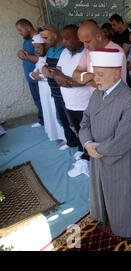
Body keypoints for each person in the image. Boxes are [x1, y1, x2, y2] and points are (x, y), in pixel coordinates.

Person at [79, 48, 131, 240]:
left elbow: (124, 139)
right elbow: (84, 122)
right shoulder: (96, 94)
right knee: (103, 191)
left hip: (121, 159)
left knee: (122, 195)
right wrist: (87, 144)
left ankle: (128, 227)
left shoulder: (129, 100)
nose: (96, 78)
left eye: (100, 74)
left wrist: (97, 150)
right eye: (95, 73)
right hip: (97, 155)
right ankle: (105, 216)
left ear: (117, 73)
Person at [52, 24, 92, 176]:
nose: (64, 41)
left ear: (78, 38)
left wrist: (69, 82)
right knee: (77, 128)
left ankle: (87, 159)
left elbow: (91, 78)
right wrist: (57, 76)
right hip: (70, 102)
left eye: (67, 38)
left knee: (88, 131)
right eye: (63, 38)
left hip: (85, 103)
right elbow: (57, 70)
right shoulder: (64, 53)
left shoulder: (87, 54)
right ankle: (82, 151)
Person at [40, 24, 79, 151]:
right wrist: (45, 69)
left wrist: (53, 74)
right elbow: (48, 66)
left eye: (46, 38)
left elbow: (63, 73)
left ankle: (82, 148)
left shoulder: (65, 50)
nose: (44, 42)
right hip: (56, 92)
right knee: (62, 120)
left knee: (74, 123)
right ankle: (71, 142)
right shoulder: (51, 50)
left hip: (66, 93)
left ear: (55, 35)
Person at [29, 34, 65, 143]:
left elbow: (55, 74)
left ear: (45, 46)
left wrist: (41, 75)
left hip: (53, 90)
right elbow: (35, 71)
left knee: (57, 114)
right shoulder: (40, 58)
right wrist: (32, 74)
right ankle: (53, 134)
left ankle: (65, 138)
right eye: (35, 48)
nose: (36, 50)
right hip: (43, 90)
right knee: (48, 112)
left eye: (38, 47)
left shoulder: (52, 57)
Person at [72, 21, 127, 89]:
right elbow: (75, 75)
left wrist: (86, 81)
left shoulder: (116, 51)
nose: (85, 46)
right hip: (96, 98)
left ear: (98, 37)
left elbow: (111, 85)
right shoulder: (88, 51)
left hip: (114, 98)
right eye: (83, 42)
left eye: (87, 41)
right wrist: (93, 76)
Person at [15, 18, 43, 127]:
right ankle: (42, 120)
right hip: (30, 76)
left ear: (28, 27)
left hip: (39, 77)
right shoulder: (26, 39)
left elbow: (41, 59)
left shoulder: (38, 39)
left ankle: (47, 122)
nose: (19, 33)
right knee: (37, 101)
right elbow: (24, 54)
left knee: (43, 101)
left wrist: (26, 57)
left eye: (20, 30)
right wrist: (20, 53)